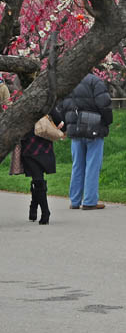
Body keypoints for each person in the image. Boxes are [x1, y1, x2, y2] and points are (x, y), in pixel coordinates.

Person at [11, 74, 64, 224]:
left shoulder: (18, 99)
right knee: (38, 179)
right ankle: (43, 211)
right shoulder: (44, 98)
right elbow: (60, 121)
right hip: (43, 143)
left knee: (37, 178)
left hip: (28, 143)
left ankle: (36, 208)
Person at [59, 72, 114, 210]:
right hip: (94, 127)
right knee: (92, 165)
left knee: (77, 165)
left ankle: (75, 200)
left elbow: (61, 107)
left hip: (75, 128)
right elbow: (104, 104)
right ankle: (90, 200)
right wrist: (107, 122)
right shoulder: (95, 82)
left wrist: (65, 127)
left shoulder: (68, 82)